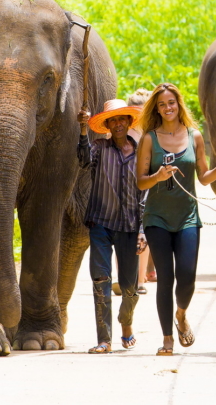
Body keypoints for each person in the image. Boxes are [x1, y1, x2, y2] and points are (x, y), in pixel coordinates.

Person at [135, 83, 216, 356]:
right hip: (157, 217)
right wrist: (158, 176)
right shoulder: (149, 139)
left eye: (171, 102)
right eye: (162, 104)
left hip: (188, 218)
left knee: (187, 278)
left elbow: (204, 177)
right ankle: (167, 339)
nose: (167, 108)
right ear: (156, 109)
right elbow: (140, 182)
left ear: (178, 104)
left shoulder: (194, 137)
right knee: (165, 279)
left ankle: (181, 315)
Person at [77, 99, 148, 354]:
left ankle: (126, 322)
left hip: (130, 226)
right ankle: (104, 339)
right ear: (107, 125)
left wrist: (143, 230)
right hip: (101, 223)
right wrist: (84, 130)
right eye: (112, 120)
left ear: (129, 122)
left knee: (130, 287)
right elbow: (83, 160)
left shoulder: (142, 153)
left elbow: (146, 194)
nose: (118, 124)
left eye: (121, 119)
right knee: (101, 279)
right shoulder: (99, 148)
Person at [127, 88, 154, 295]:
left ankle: (140, 278)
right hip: (124, 188)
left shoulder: (151, 134)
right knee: (124, 234)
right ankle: (128, 278)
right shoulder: (122, 132)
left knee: (143, 232)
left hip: (145, 186)